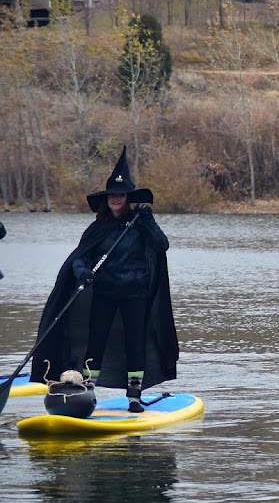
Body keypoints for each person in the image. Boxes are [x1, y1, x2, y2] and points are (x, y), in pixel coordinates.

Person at [30, 147, 178, 412]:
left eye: (121, 195)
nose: (116, 199)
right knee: (95, 341)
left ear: (128, 198)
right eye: (112, 195)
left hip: (136, 293)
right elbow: (79, 257)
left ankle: (134, 395)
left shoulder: (140, 224)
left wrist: (149, 221)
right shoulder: (98, 227)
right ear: (107, 199)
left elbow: (162, 245)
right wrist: (82, 273)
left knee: (135, 342)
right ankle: (87, 392)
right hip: (105, 293)